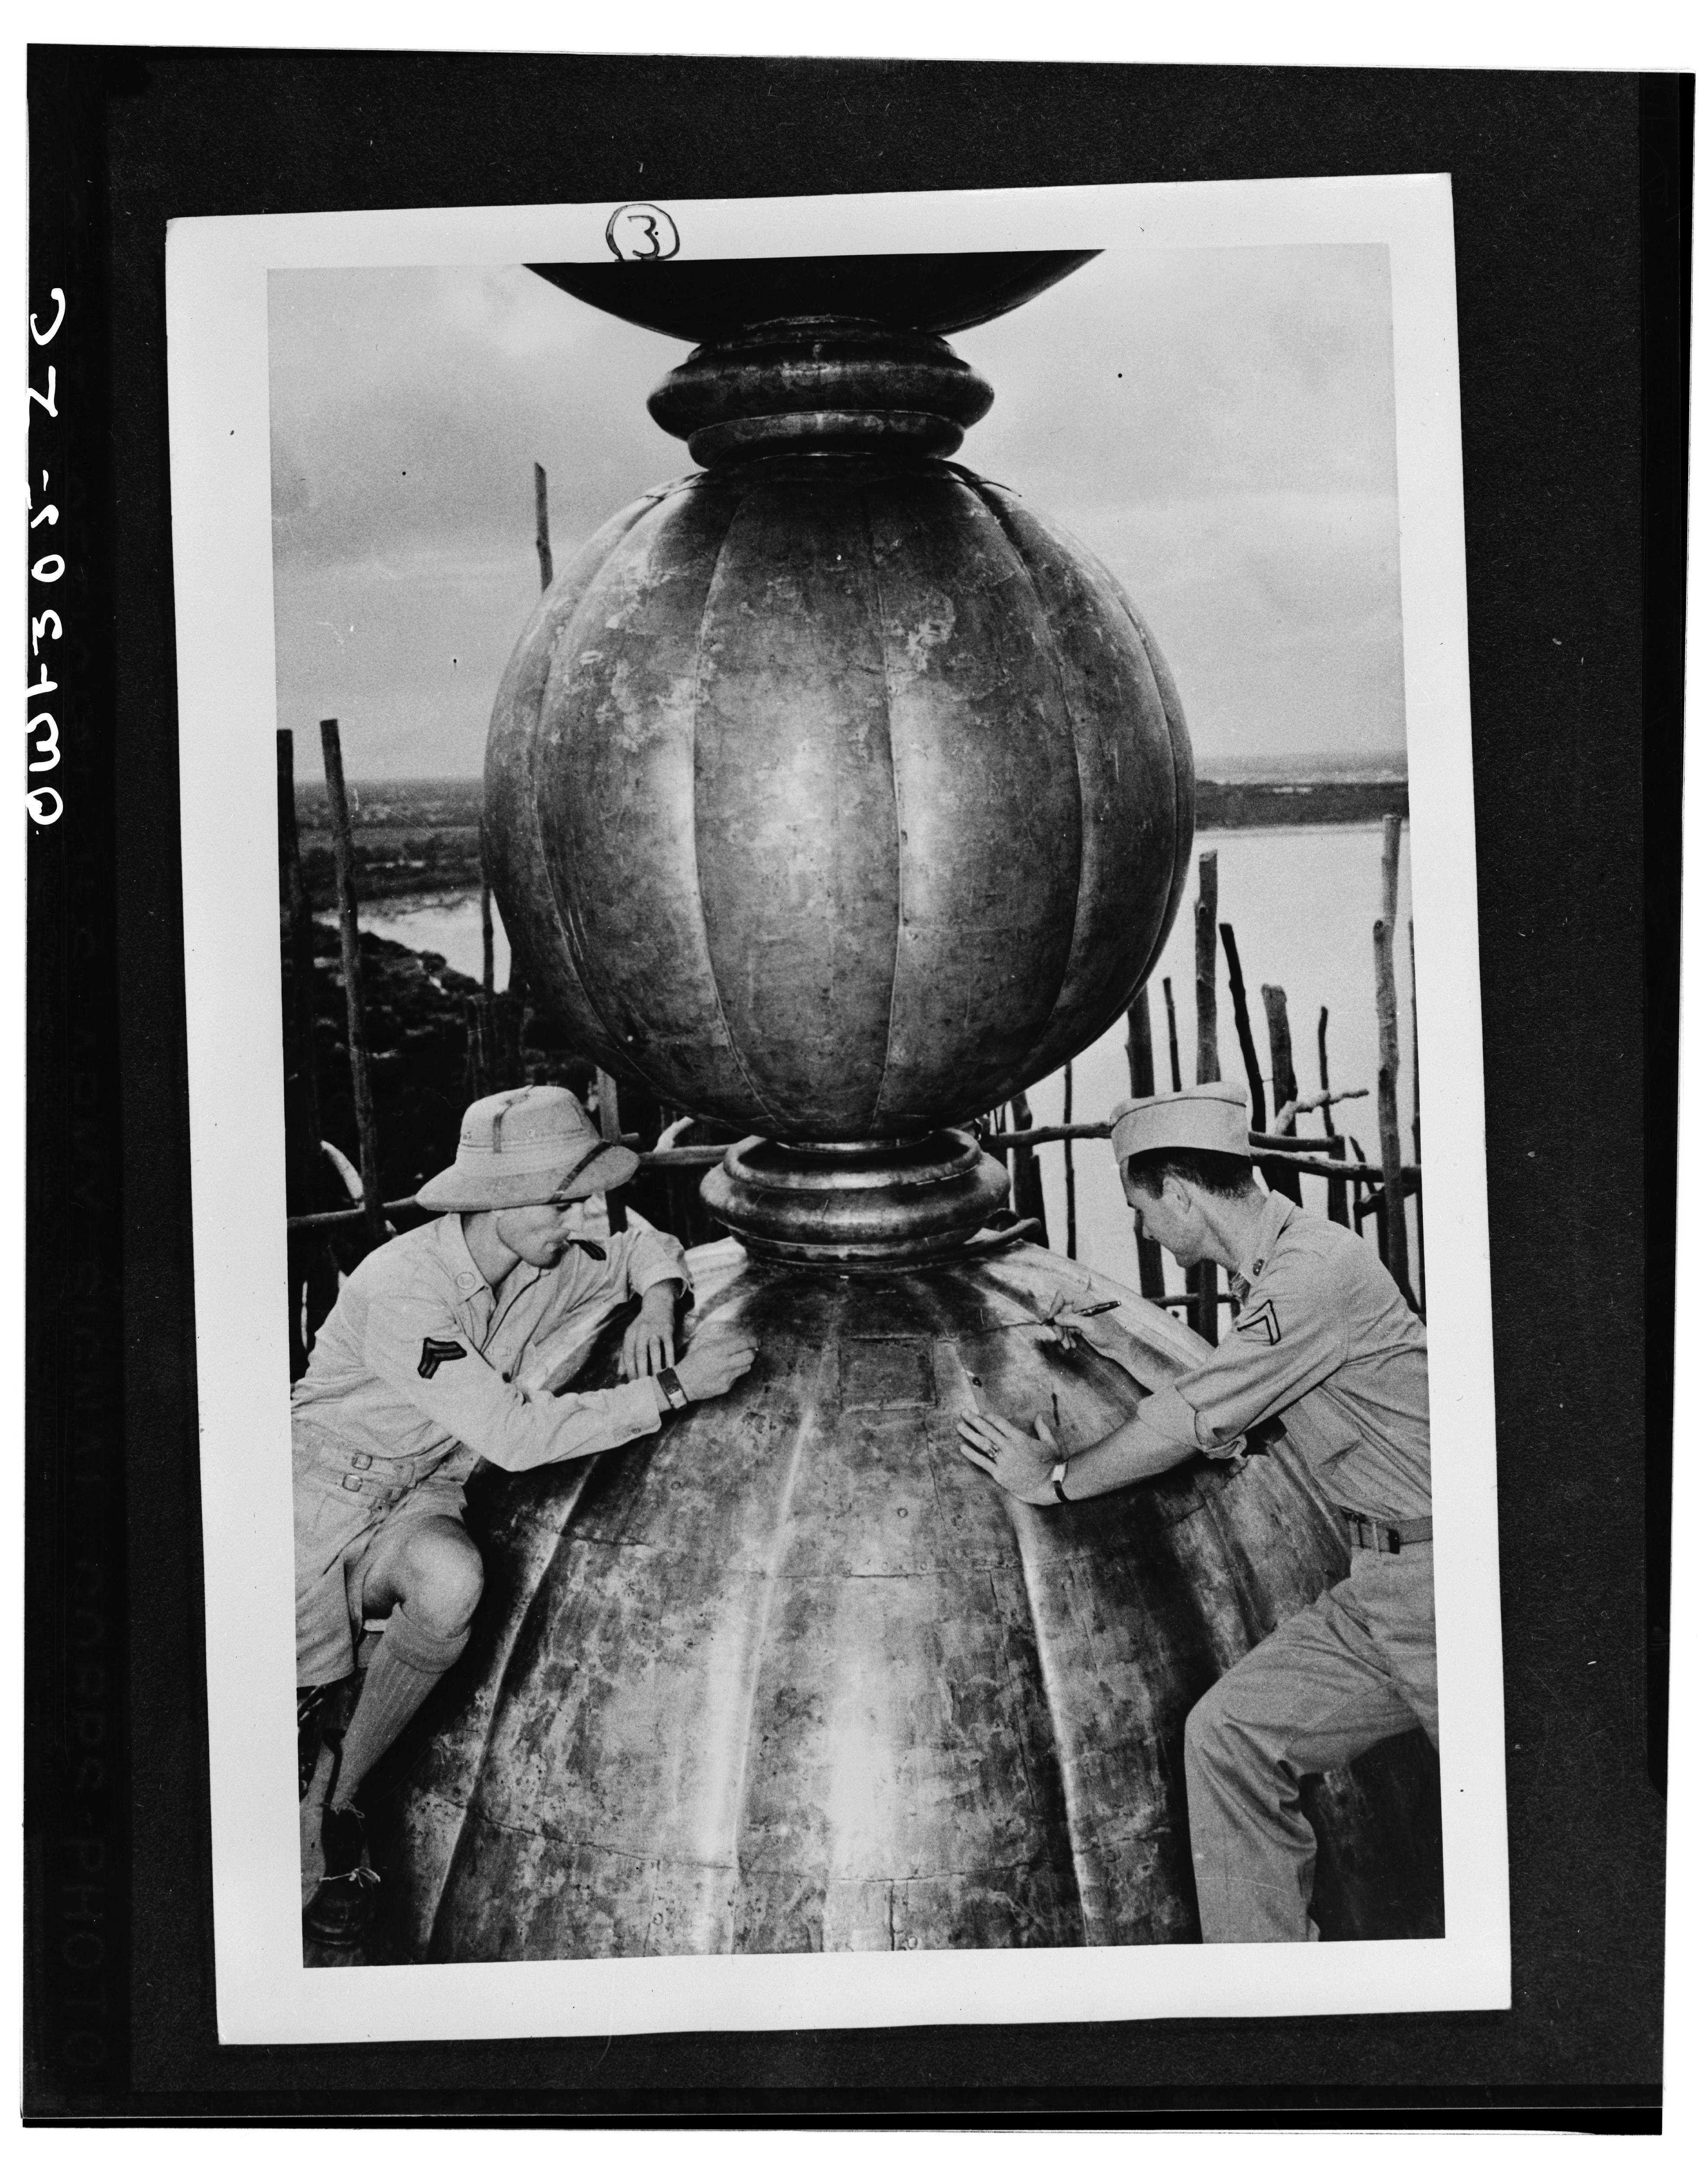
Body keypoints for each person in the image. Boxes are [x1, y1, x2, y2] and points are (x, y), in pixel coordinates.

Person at [956, 1081, 1433, 1943]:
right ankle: (1266, 2000)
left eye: (1142, 1210)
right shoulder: (1282, 1276)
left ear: (1178, 1192)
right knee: (1229, 1738)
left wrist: (1053, 1479)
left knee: (1531, 1826)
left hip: (1452, 1591)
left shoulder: (1311, 1277)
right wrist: (1116, 1343)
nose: (1144, 1232)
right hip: (1383, 1591)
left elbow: (1185, 1423)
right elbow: (1235, 1402)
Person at [293, 1083, 756, 1944]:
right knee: (264, 1743)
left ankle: (342, 1796)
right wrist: (675, 1387)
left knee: (451, 1582)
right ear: (502, 1202)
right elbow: (511, 1433)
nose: (589, 1214)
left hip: (420, 1491)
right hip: (314, 1503)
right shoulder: (406, 1288)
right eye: (568, 1198)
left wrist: (658, 1298)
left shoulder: (549, 1250)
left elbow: (641, 1242)